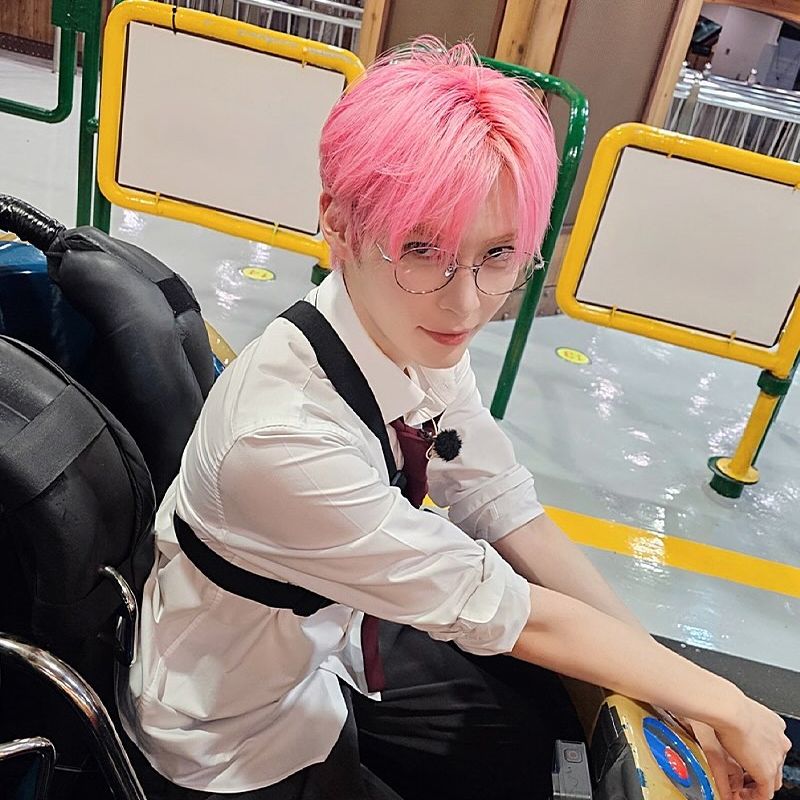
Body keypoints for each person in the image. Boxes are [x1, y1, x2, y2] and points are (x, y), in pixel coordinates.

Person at [122, 37, 790, 800]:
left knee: (516, 742)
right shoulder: (283, 440)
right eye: (420, 247)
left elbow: (503, 506)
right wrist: (720, 701)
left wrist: (681, 694)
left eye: (498, 254)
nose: (466, 303)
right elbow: (508, 611)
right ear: (337, 222)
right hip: (233, 736)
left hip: (332, 638)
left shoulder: (403, 331)